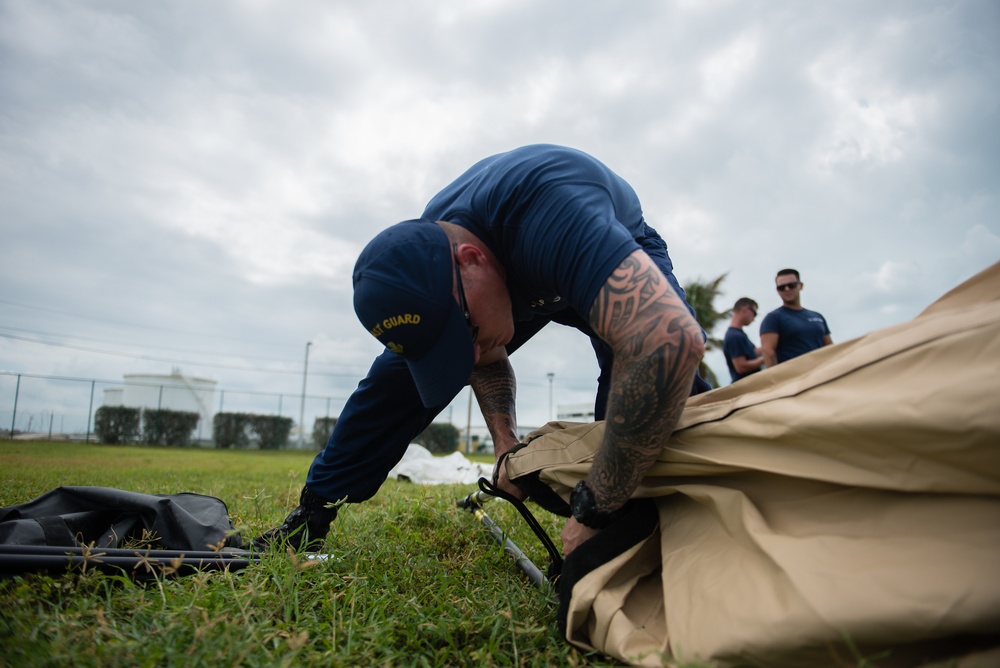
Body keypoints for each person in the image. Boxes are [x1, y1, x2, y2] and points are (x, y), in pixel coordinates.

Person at [254, 144, 707, 557]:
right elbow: (482, 357)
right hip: (511, 272)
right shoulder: (436, 259)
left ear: (472, 259)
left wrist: (598, 508)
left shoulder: (552, 216)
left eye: (464, 333)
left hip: (598, 243)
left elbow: (669, 341)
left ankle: (673, 510)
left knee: (653, 380)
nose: (469, 355)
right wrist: (505, 444)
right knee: (393, 383)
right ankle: (311, 516)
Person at [759, 269, 832, 367]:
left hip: (822, 373)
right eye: (782, 287)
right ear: (777, 290)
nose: (787, 289)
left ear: (800, 286)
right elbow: (768, 352)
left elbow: (830, 348)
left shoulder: (817, 317)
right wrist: (777, 381)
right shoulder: (773, 318)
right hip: (795, 378)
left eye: (791, 285)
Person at [723, 297, 764, 382]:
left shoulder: (738, 334)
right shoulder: (734, 336)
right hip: (746, 389)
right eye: (754, 313)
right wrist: (764, 359)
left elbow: (753, 352)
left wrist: (769, 347)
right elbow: (741, 367)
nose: (753, 319)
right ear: (745, 308)